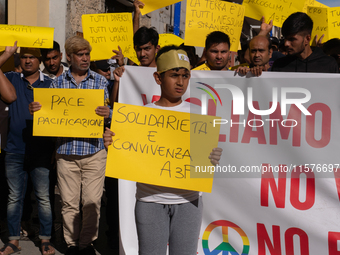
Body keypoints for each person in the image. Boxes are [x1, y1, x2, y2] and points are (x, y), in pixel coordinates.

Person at [103, 45, 222, 255]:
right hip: (150, 202)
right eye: (174, 75)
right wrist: (112, 143)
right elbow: (129, 155)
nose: (180, 82)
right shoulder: (142, 116)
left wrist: (212, 158)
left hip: (189, 203)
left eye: (185, 76)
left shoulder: (199, 115)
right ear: (158, 78)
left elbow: (202, 166)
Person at [29, 36, 110, 255]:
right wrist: (38, 110)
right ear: (70, 57)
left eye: (87, 54)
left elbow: (110, 116)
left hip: (94, 151)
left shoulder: (100, 81)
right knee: (69, 203)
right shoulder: (57, 83)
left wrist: (107, 113)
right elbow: (50, 114)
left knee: (92, 201)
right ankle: (73, 245)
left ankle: (87, 243)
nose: (85, 59)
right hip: (66, 153)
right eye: (80, 55)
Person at [0, 44, 55, 255]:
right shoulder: (11, 79)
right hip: (14, 149)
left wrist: (54, 149)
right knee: (14, 197)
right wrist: (5, 53)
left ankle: (45, 240)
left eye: (32, 57)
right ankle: (13, 240)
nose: (28, 60)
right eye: (24, 57)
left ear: (39, 60)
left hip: (42, 149)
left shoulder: (51, 84)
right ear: (19, 60)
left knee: (43, 197)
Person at [271, 12, 339, 73]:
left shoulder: (329, 64)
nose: (286, 44)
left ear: (307, 39)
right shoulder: (279, 65)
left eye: (292, 39)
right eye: (285, 38)